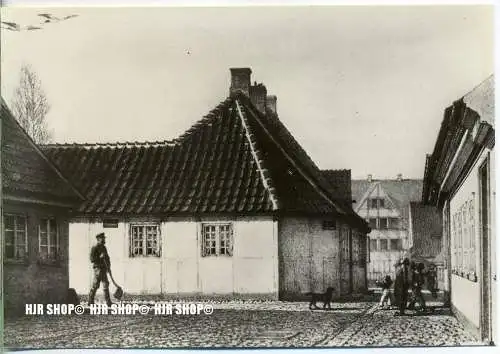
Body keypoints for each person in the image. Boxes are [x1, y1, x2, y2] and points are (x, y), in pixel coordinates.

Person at [88, 232, 113, 307]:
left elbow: (107, 258)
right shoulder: (94, 247)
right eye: (103, 238)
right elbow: (92, 259)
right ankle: (90, 301)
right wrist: (100, 257)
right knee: (95, 285)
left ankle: (108, 302)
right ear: (98, 239)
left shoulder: (104, 248)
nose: (104, 239)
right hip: (98, 269)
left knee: (105, 285)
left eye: (104, 238)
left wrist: (109, 267)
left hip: (104, 269)